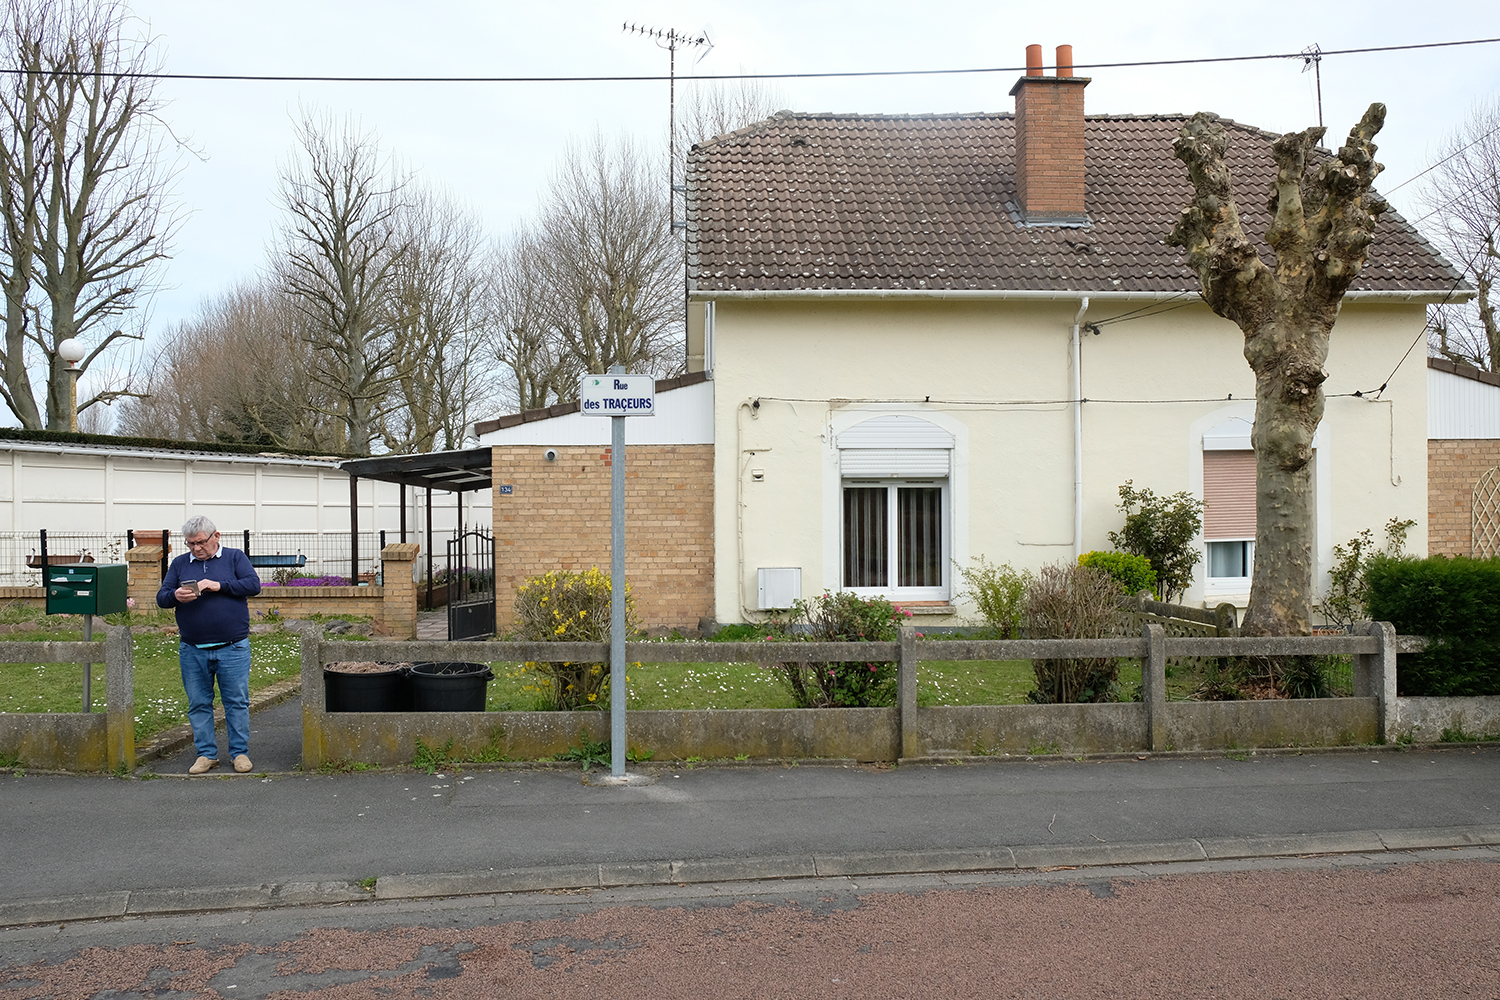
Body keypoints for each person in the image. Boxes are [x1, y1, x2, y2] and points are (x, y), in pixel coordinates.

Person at [157, 515, 262, 774]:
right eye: (190, 544)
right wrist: (175, 595)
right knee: (198, 703)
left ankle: (239, 754)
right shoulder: (180, 563)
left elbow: (253, 585)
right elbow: (162, 598)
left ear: (216, 536)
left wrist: (219, 585)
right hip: (192, 648)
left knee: (236, 701)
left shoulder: (235, 557)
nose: (196, 548)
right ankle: (206, 755)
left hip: (233, 646)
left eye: (201, 542)